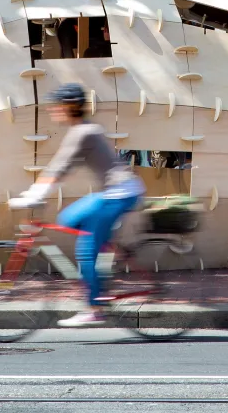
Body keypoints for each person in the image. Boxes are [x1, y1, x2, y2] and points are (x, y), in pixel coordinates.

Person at [9, 83, 145, 327]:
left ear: (69, 106)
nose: (53, 110)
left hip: (120, 194)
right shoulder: (81, 131)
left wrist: (34, 194)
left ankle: (95, 308)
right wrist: (36, 192)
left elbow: (60, 166)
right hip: (115, 193)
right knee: (68, 220)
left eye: (57, 105)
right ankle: (104, 252)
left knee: (85, 251)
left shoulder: (84, 133)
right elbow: (61, 167)